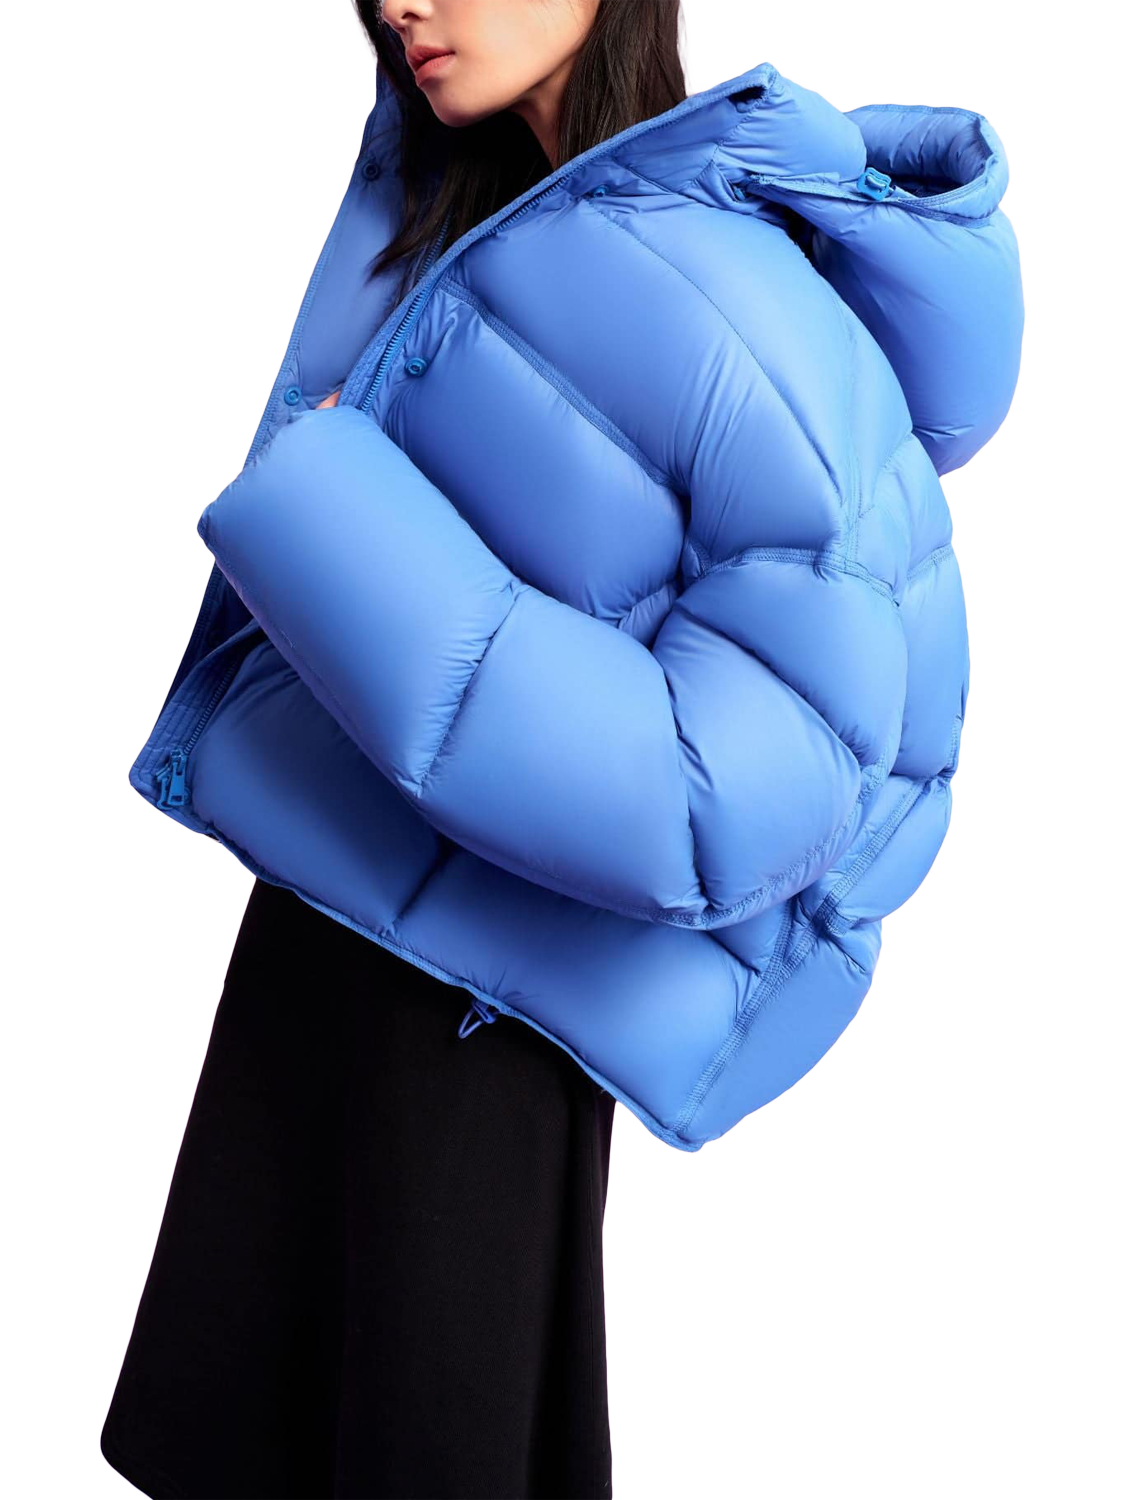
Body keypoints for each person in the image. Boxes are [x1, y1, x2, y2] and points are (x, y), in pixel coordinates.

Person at [105, 0, 1024, 1496]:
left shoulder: (745, 310)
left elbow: (736, 794)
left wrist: (339, 519)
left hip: (480, 1030)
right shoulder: (491, 210)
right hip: (336, 929)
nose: (398, 2)